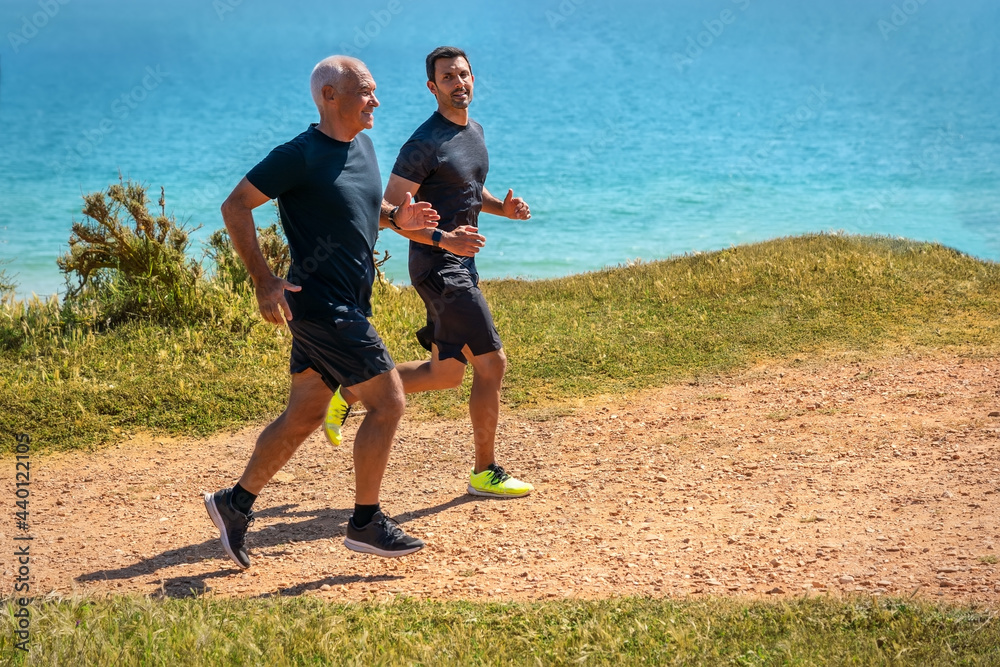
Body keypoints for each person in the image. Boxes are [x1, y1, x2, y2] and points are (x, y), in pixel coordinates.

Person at [204, 55, 440, 569]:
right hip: (319, 304)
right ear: (329, 96)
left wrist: (399, 218)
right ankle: (366, 523)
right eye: (365, 91)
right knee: (388, 402)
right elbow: (235, 205)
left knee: (306, 413)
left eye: (375, 90)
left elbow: (362, 208)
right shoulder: (300, 154)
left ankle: (234, 504)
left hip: (345, 302)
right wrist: (263, 281)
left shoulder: (365, 146)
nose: (375, 100)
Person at [324, 46, 534, 499]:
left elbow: (470, 192)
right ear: (432, 87)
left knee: (446, 374)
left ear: (473, 79)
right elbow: (394, 212)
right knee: (492, 364)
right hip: (439, 267)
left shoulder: (473, 132)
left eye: (464, 74)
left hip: (462, 264)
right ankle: (485, 471)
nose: (459, 82)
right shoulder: (425, 143)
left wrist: (504, 209)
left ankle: (355, 389)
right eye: (448, 77)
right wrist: (444, 242)